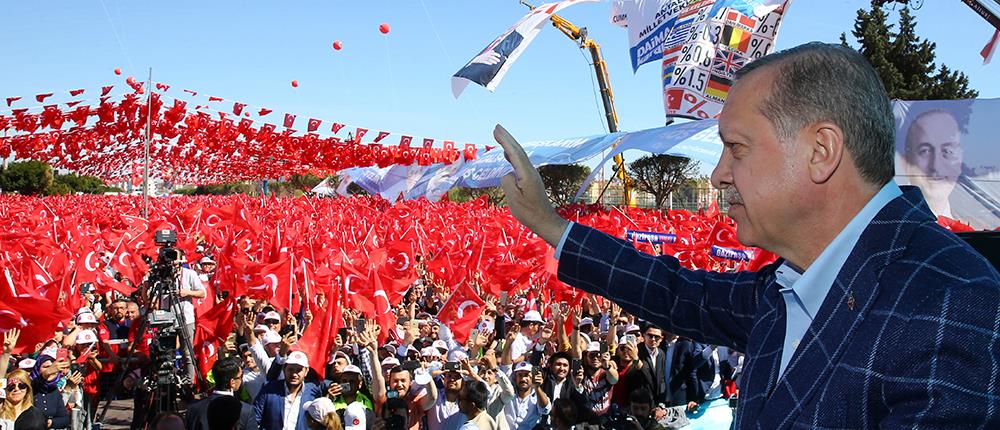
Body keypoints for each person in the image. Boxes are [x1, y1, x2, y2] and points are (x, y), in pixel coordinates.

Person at [494, 42, 1000, 427]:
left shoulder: (953, 306)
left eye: (736, 147)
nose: (717, 174)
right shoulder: (790, 284)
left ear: (821, 151)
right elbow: (675, 291)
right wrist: (553, 225)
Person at [902, 108, 1000, 229]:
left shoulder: (977, 227)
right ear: (906, 161)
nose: (936, 165)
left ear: (960, 161)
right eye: (925, 151)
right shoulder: (891, 231)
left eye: (947, 151)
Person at [253, 351, 324, 430]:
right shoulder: (270, 390)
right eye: (290, 369)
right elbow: (254, 418)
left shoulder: (312, 392)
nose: (294, 374)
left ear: (306, 371)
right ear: (284, 369)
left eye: (299, 370)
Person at [186, 357, 256, 430]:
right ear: (232, 382)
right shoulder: (245, 410)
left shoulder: (193, 408)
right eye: (240, 377)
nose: (241, 380)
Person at [501, 362, 550, 430]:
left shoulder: (537, 396)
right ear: (515, 378)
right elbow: (505, 366)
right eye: (520, 375)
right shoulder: (508, 393)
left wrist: (537, 387)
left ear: (532, 377)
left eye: (526, 375)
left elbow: (545, 410)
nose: (523, 379)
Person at [29, 352, 70, 429]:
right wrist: (47, 372)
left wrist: (51, 422)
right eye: (46, 367)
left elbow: (65, 419)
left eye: (54, 368)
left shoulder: (54, 390)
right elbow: (34, 384)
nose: (52, 370)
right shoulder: (29, 387)